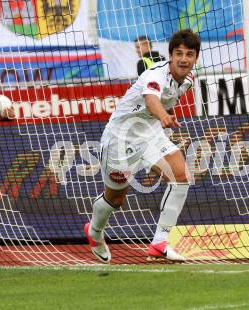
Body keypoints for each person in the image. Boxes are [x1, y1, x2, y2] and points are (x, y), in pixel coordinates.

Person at [84, 29, 201, 263]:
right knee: (115, 200)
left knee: (181, 176)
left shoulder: (188, 79)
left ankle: (160, 243)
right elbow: (152, 100)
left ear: (196, 58)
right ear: (170, 55)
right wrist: (164, 117)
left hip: (150, 134)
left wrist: (164, 117)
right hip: (121, 139)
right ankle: (95, 231)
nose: (184, 59)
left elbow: (166, 102)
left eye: (189, 54)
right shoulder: (155, 75)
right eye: (178, 53)